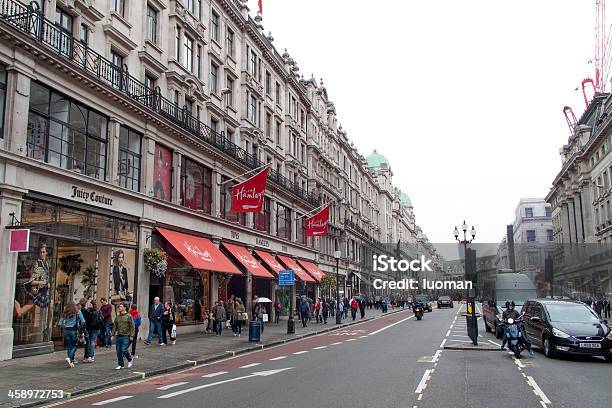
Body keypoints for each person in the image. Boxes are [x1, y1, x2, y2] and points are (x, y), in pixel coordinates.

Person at [57, 300, 85, 368]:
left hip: (66, 331)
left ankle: (71, 361)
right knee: (75, 345)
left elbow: (60, 323)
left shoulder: (65, 312)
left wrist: (65, 325)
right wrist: (80, 326)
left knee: (69, 346)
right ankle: (69, 358)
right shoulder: (78, 312)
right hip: (74, 330)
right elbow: (83, 321)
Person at [112, 303, 135, 370]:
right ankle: (120, 364)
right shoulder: (118, 317)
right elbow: (115, 326)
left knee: (124, 349)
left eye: (121, 306)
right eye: (119, 307)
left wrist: (131, 335)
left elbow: (132, 327)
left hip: (126, 336)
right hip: (119, 336)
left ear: (125, 308)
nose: (119, 307)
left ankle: (130, 359)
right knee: (118, 351)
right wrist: (113, 335)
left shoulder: (129, 316)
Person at [80, 298, 100, 363]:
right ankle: (91, 355)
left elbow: (85, 321)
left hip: (89, 328)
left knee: (89, 342)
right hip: (95, 328)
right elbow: (101, 320)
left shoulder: (87, 311)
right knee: (92, 342)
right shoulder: (98, 311)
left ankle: (89, 356)